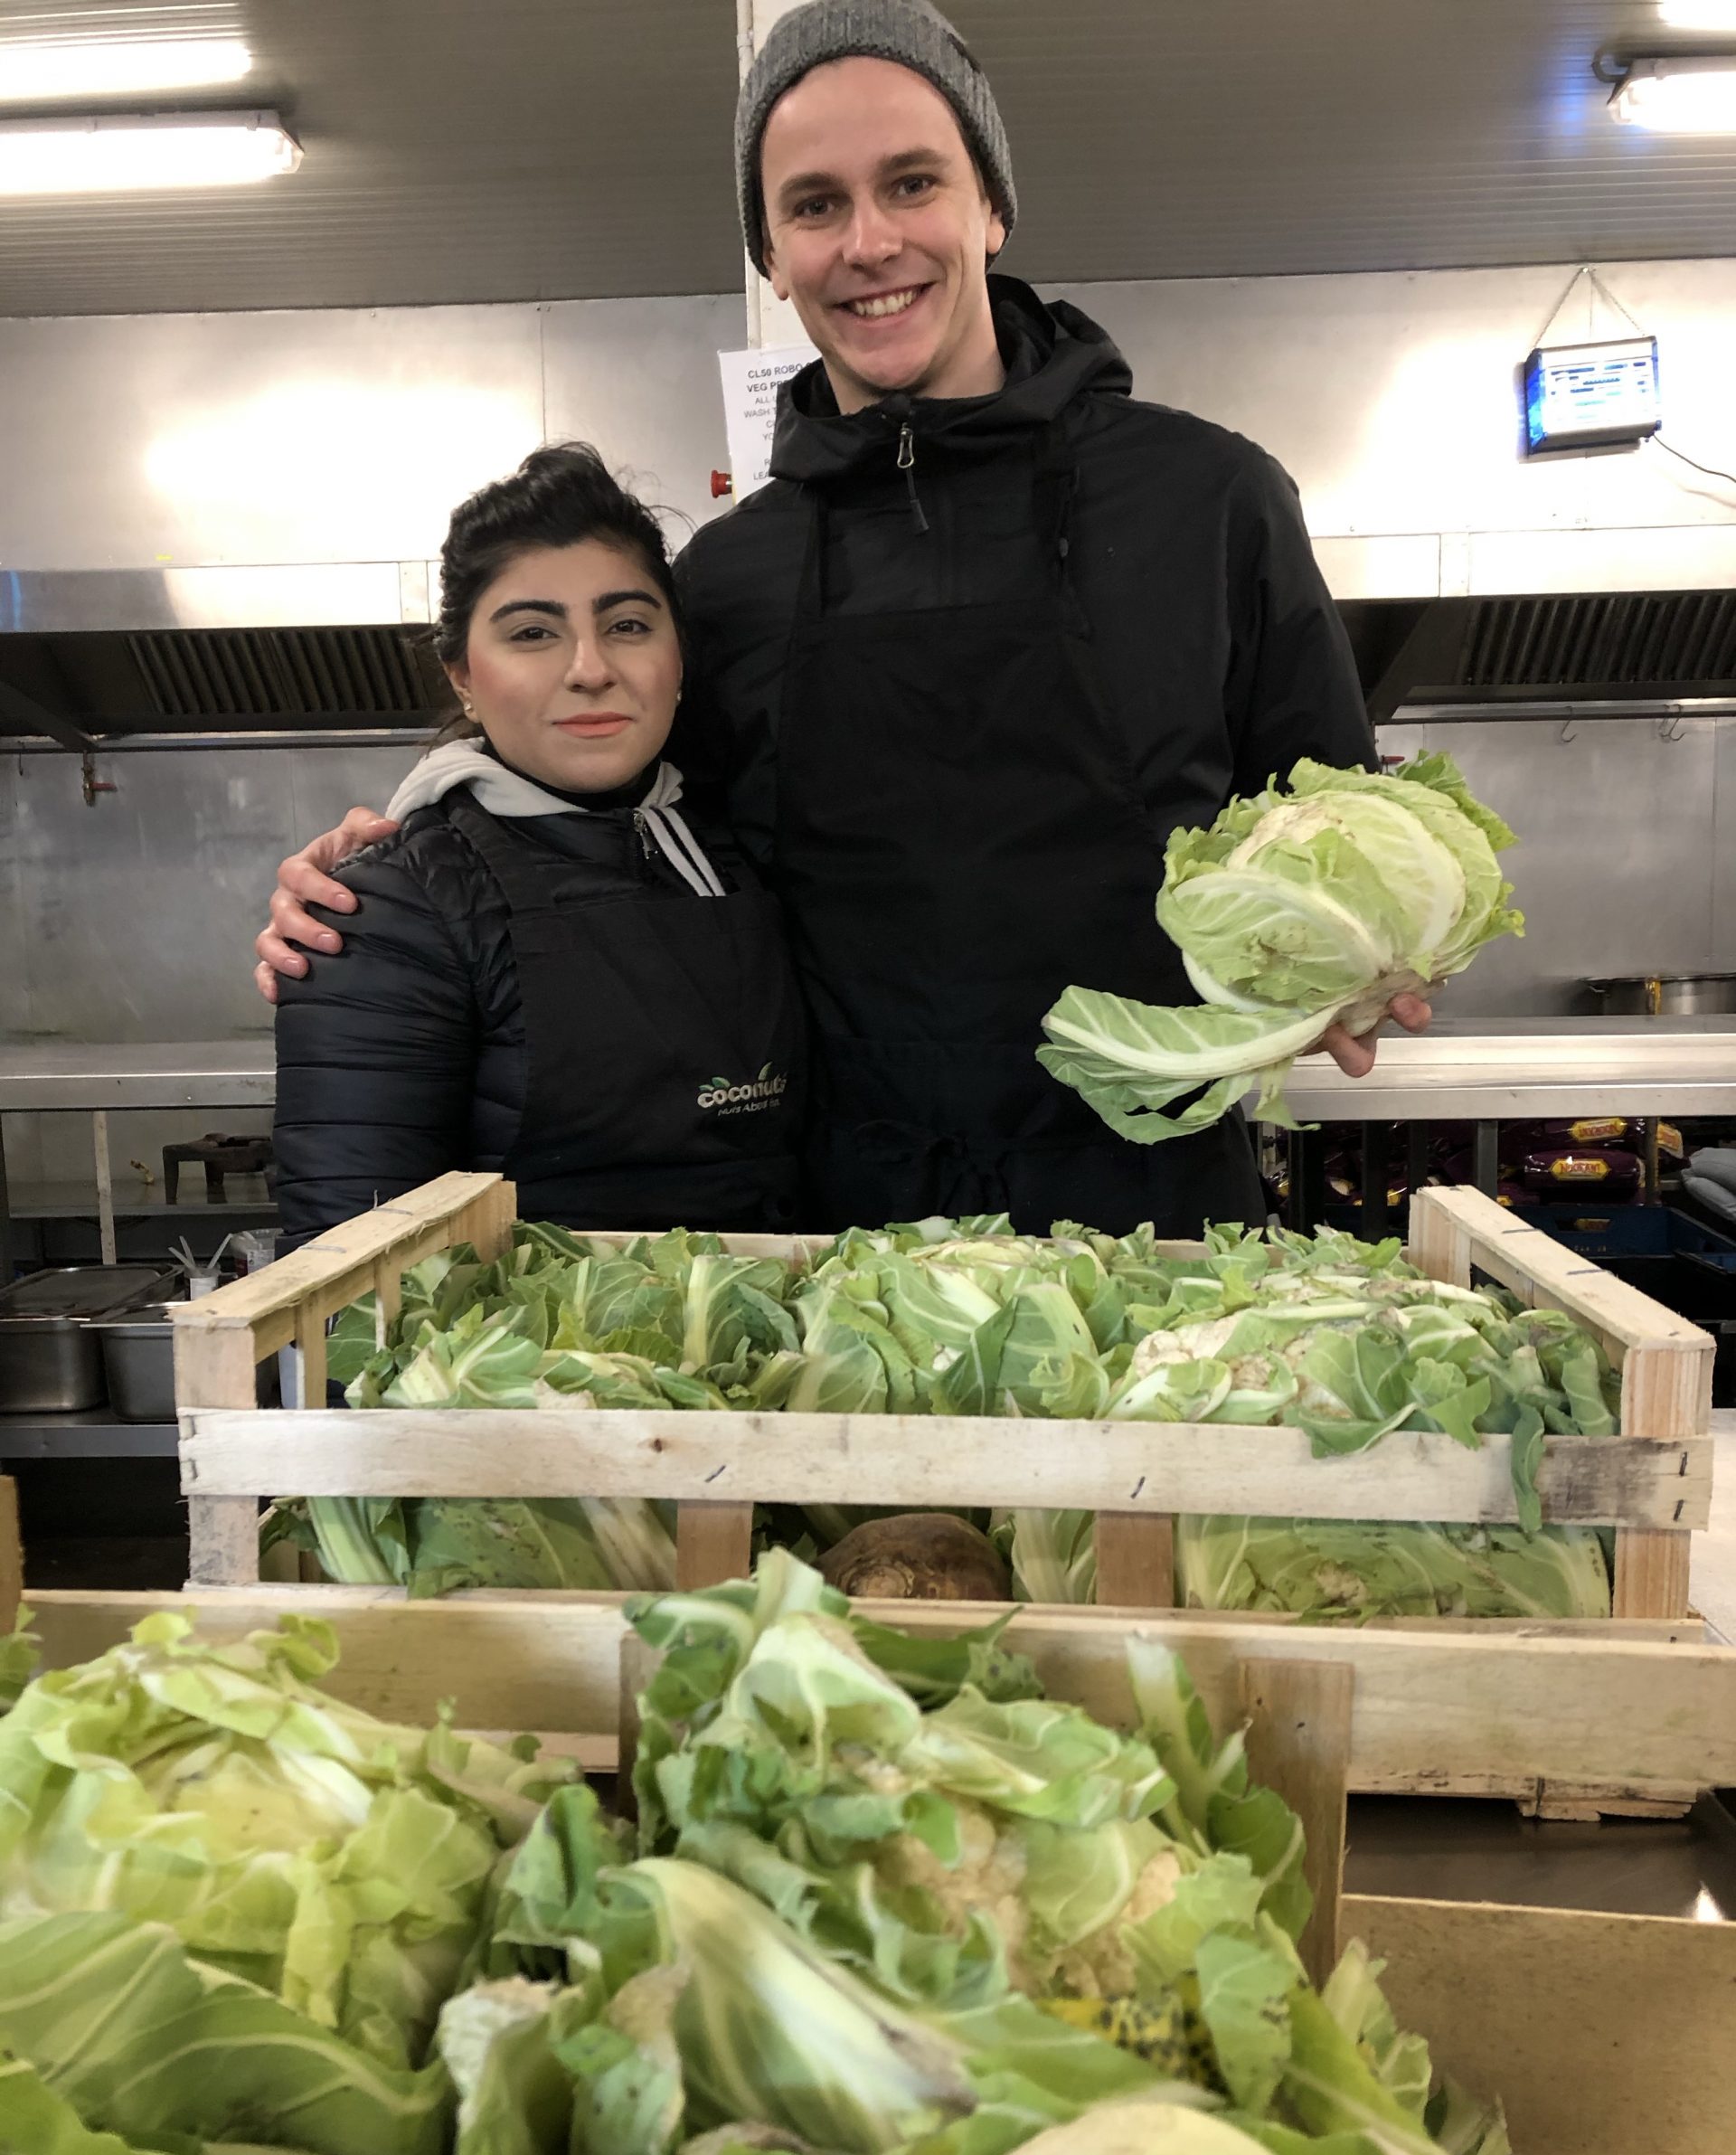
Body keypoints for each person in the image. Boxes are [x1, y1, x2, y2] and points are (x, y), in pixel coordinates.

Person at [258, 0, 1427, 1238]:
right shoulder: (732, 577)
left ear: (992, 207)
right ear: (772, 252)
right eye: (814, 205)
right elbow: (615, 836)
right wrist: (384, 878)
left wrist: (1368, 955)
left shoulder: (1210, 500)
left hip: (1159, 1213)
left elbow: (1329, 824)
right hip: (835, 1242)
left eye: (912, 183)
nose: (869, 242)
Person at [270, 444, 802, 1247]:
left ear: (679, 659)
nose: (590, 669)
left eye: (627, 625)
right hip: (525, 1370)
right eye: (532, 633)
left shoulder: (740, 849)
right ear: (462, 676)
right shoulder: (385, 909)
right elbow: (352, 1285)